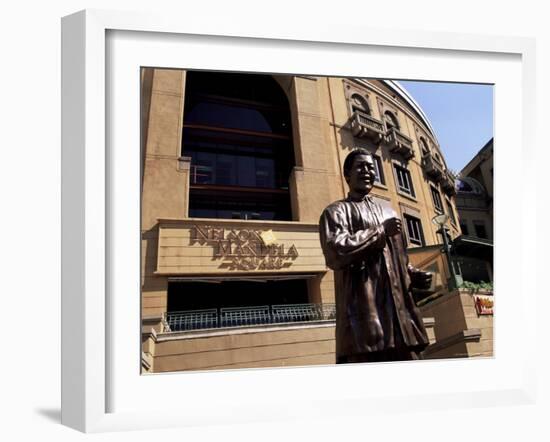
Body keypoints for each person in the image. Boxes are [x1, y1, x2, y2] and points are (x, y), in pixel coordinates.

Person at [319, 148, 432, 363]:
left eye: (371, 167)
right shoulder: (336, 212)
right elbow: (336, 251)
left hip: (400, 320)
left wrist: (413, 275)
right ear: (347, 174)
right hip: (364, 321)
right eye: (360, 167)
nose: (368, 171)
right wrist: (379, 231)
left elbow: (400, 260)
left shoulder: (389, 213)